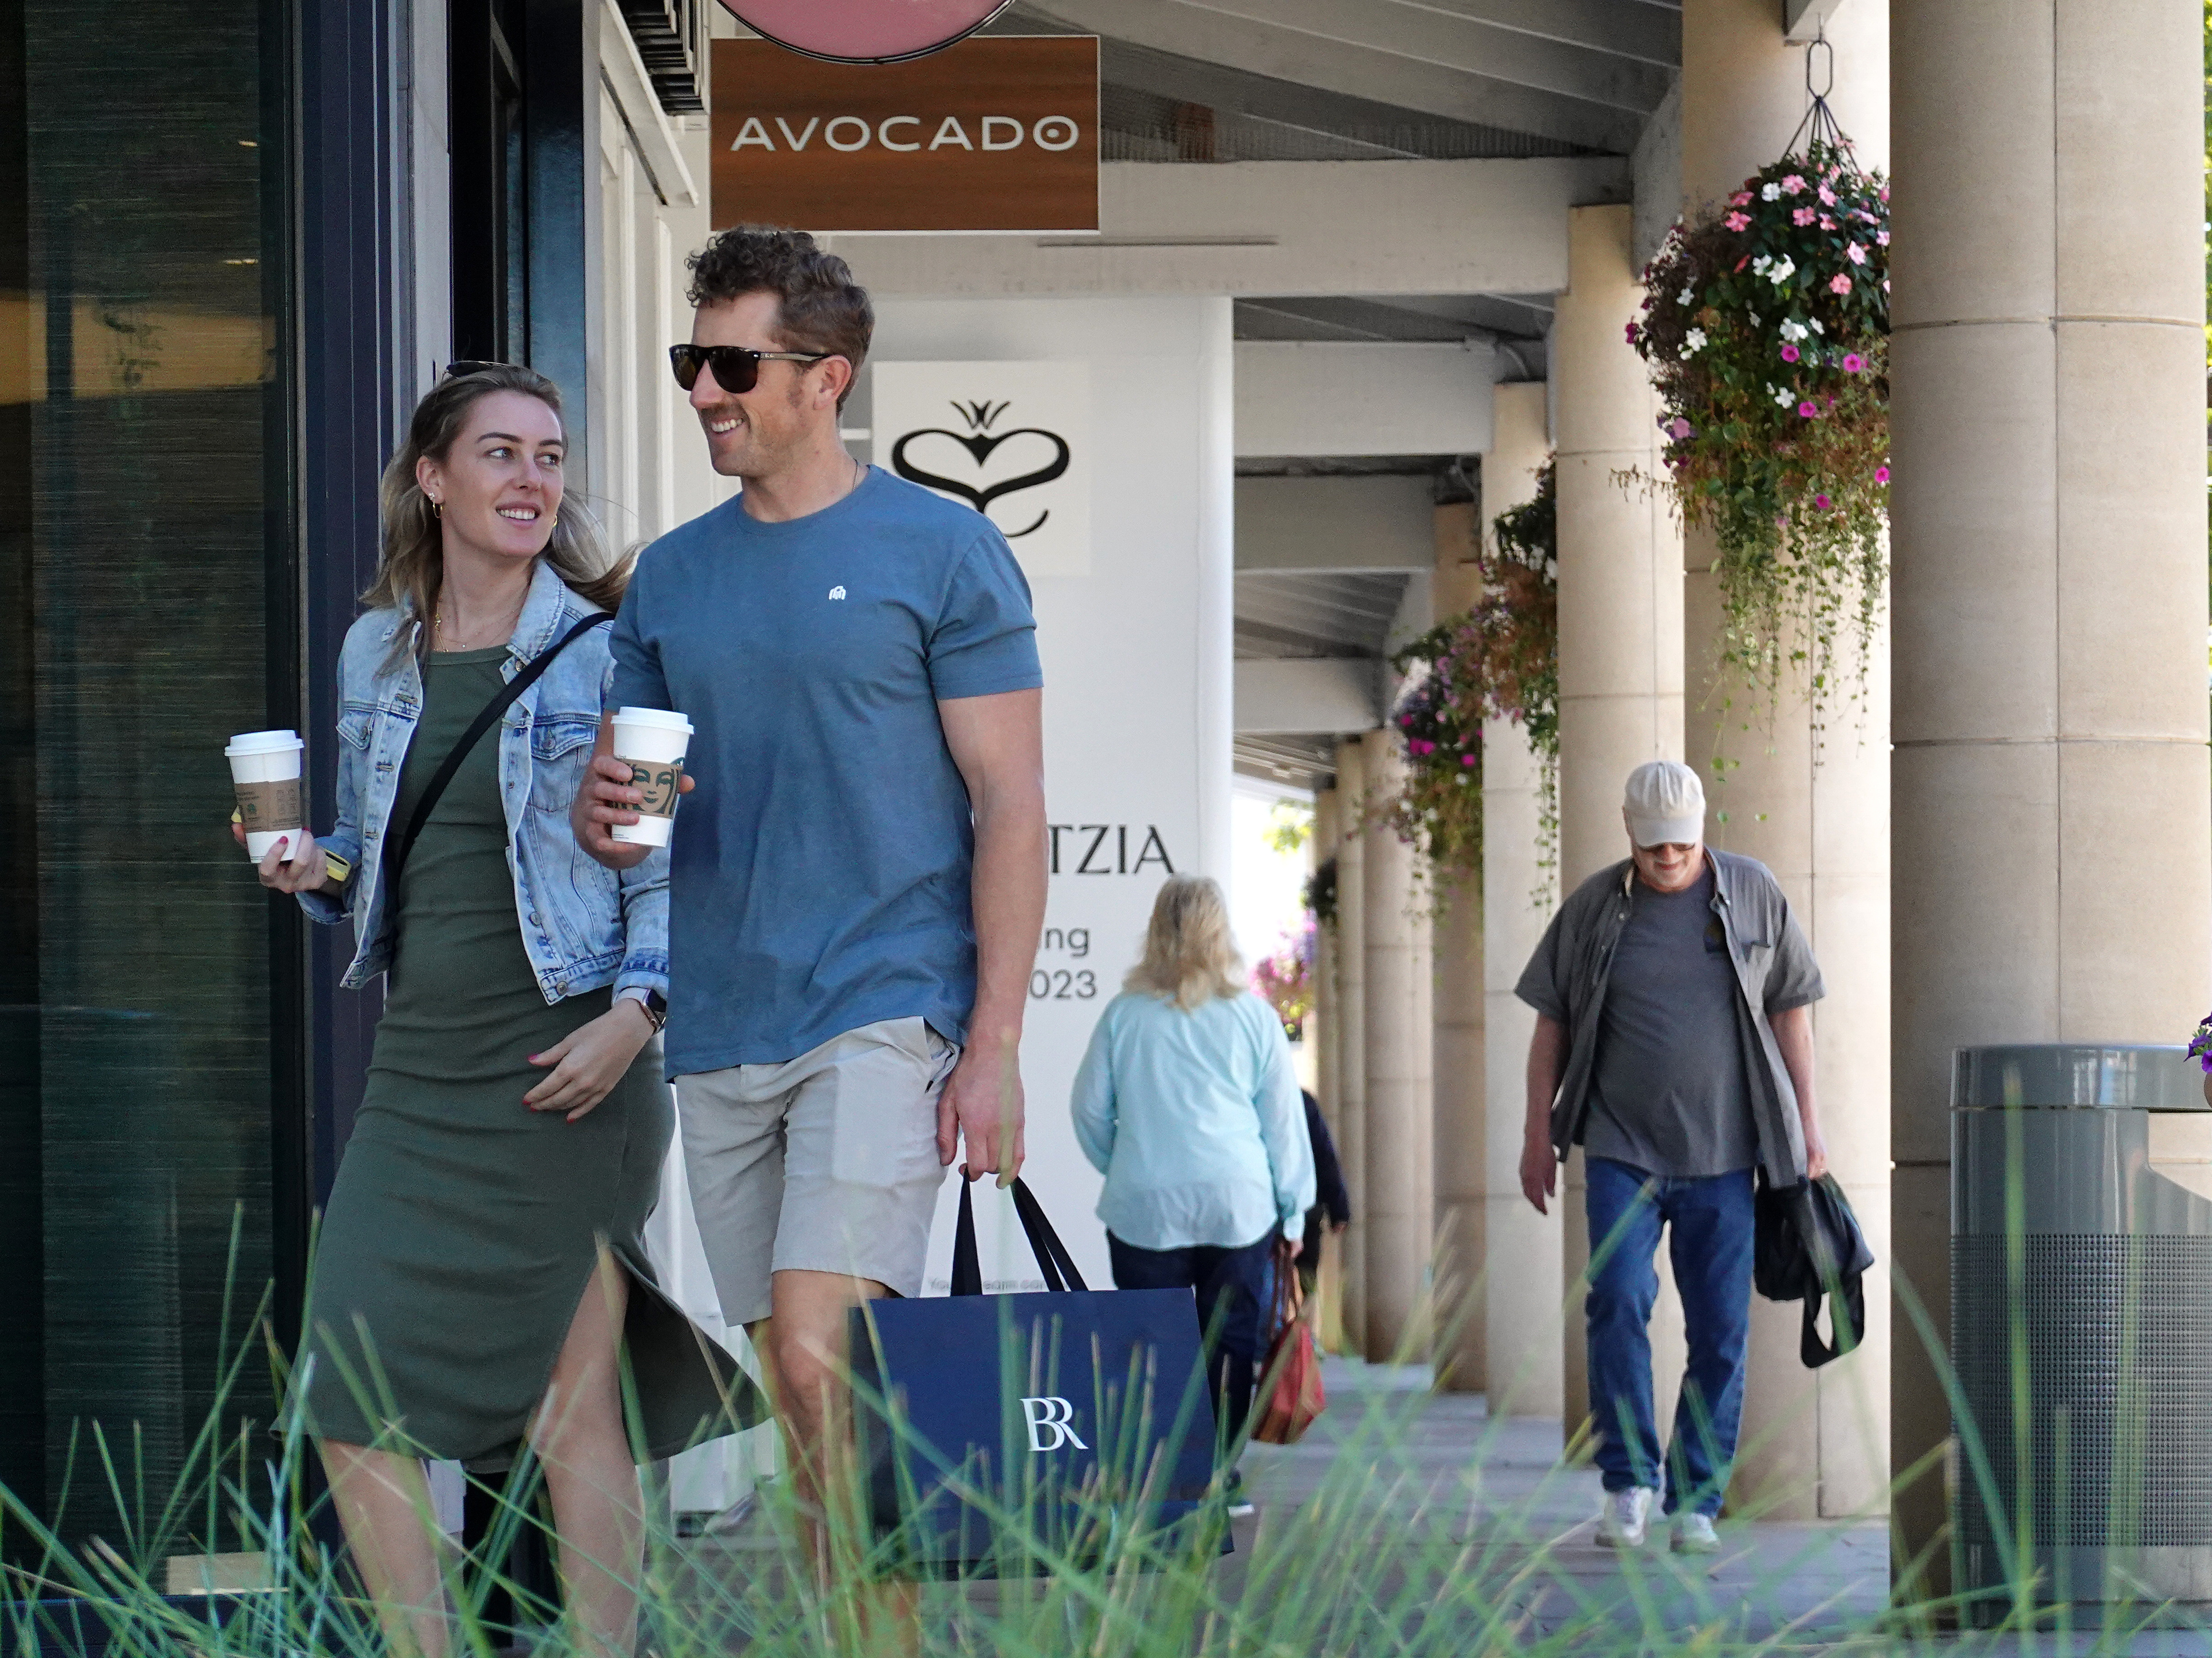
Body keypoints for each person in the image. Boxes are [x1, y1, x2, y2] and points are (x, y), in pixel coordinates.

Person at [571, 227, 1048, 1575]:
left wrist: (994, 1042)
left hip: (882, 1007)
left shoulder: (942, 551)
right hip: (723, 1021)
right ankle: (862, 1616)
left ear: (825, 377)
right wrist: (609, 819)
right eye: (690, 361)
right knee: (801, 1390)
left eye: (731, 363)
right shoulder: (670, 576)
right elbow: (634, 821)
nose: (704, 391)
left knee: (810, 1348)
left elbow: (1009, 802)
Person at [250, 363, 744, 1658]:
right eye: (501, 454)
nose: (533, 480)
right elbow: (373, 848)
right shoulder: (380, 648)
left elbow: (658, 853)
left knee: (565, 1406)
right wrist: (317, 870)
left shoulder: (605, 642)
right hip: (422, 1066)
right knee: (351, 1391)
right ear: (433, 477)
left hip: (569, 1058)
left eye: (550, 457)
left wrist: (636, 1014)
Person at [1514, 759, 1826, 1555]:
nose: (1668, 859)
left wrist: (1808, 1130)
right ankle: (1628, 1482)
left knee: (1721, 1328)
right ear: (1628, 830)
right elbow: (1549, 1022)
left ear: (1701, 826)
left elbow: (1792, 1011)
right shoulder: (1593, 907)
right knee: (1614, 1299)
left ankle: (1696, 1496)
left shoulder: (1753, 891)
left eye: (1681, 845)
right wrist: (1535, 1135)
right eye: (1654, 847)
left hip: (1726, 1153)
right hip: (1620, 1146)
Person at [1070, 876, 1317, 1453]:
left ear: (1156, 932)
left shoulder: (1123, 1016)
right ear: (1221, 933)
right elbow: (1283, 1125)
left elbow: (1087, 1111)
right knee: (1230, 1344)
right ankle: (1216, 1476)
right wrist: (1294, 1215)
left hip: (1145, 1208)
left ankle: (1159, 1478)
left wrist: (1129, 1166)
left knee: (1150, 1348)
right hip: (1238, 1204)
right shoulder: (1255, 1019)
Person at [1296, 1089, 1351, 1300]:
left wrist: (1339, 1208)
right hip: (1306, 1211)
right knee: (1307, 1287)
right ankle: (1303, 1327)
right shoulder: (1303, 1101)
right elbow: (1325, 1156)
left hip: (1268, 1216)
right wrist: (1339, 1209)